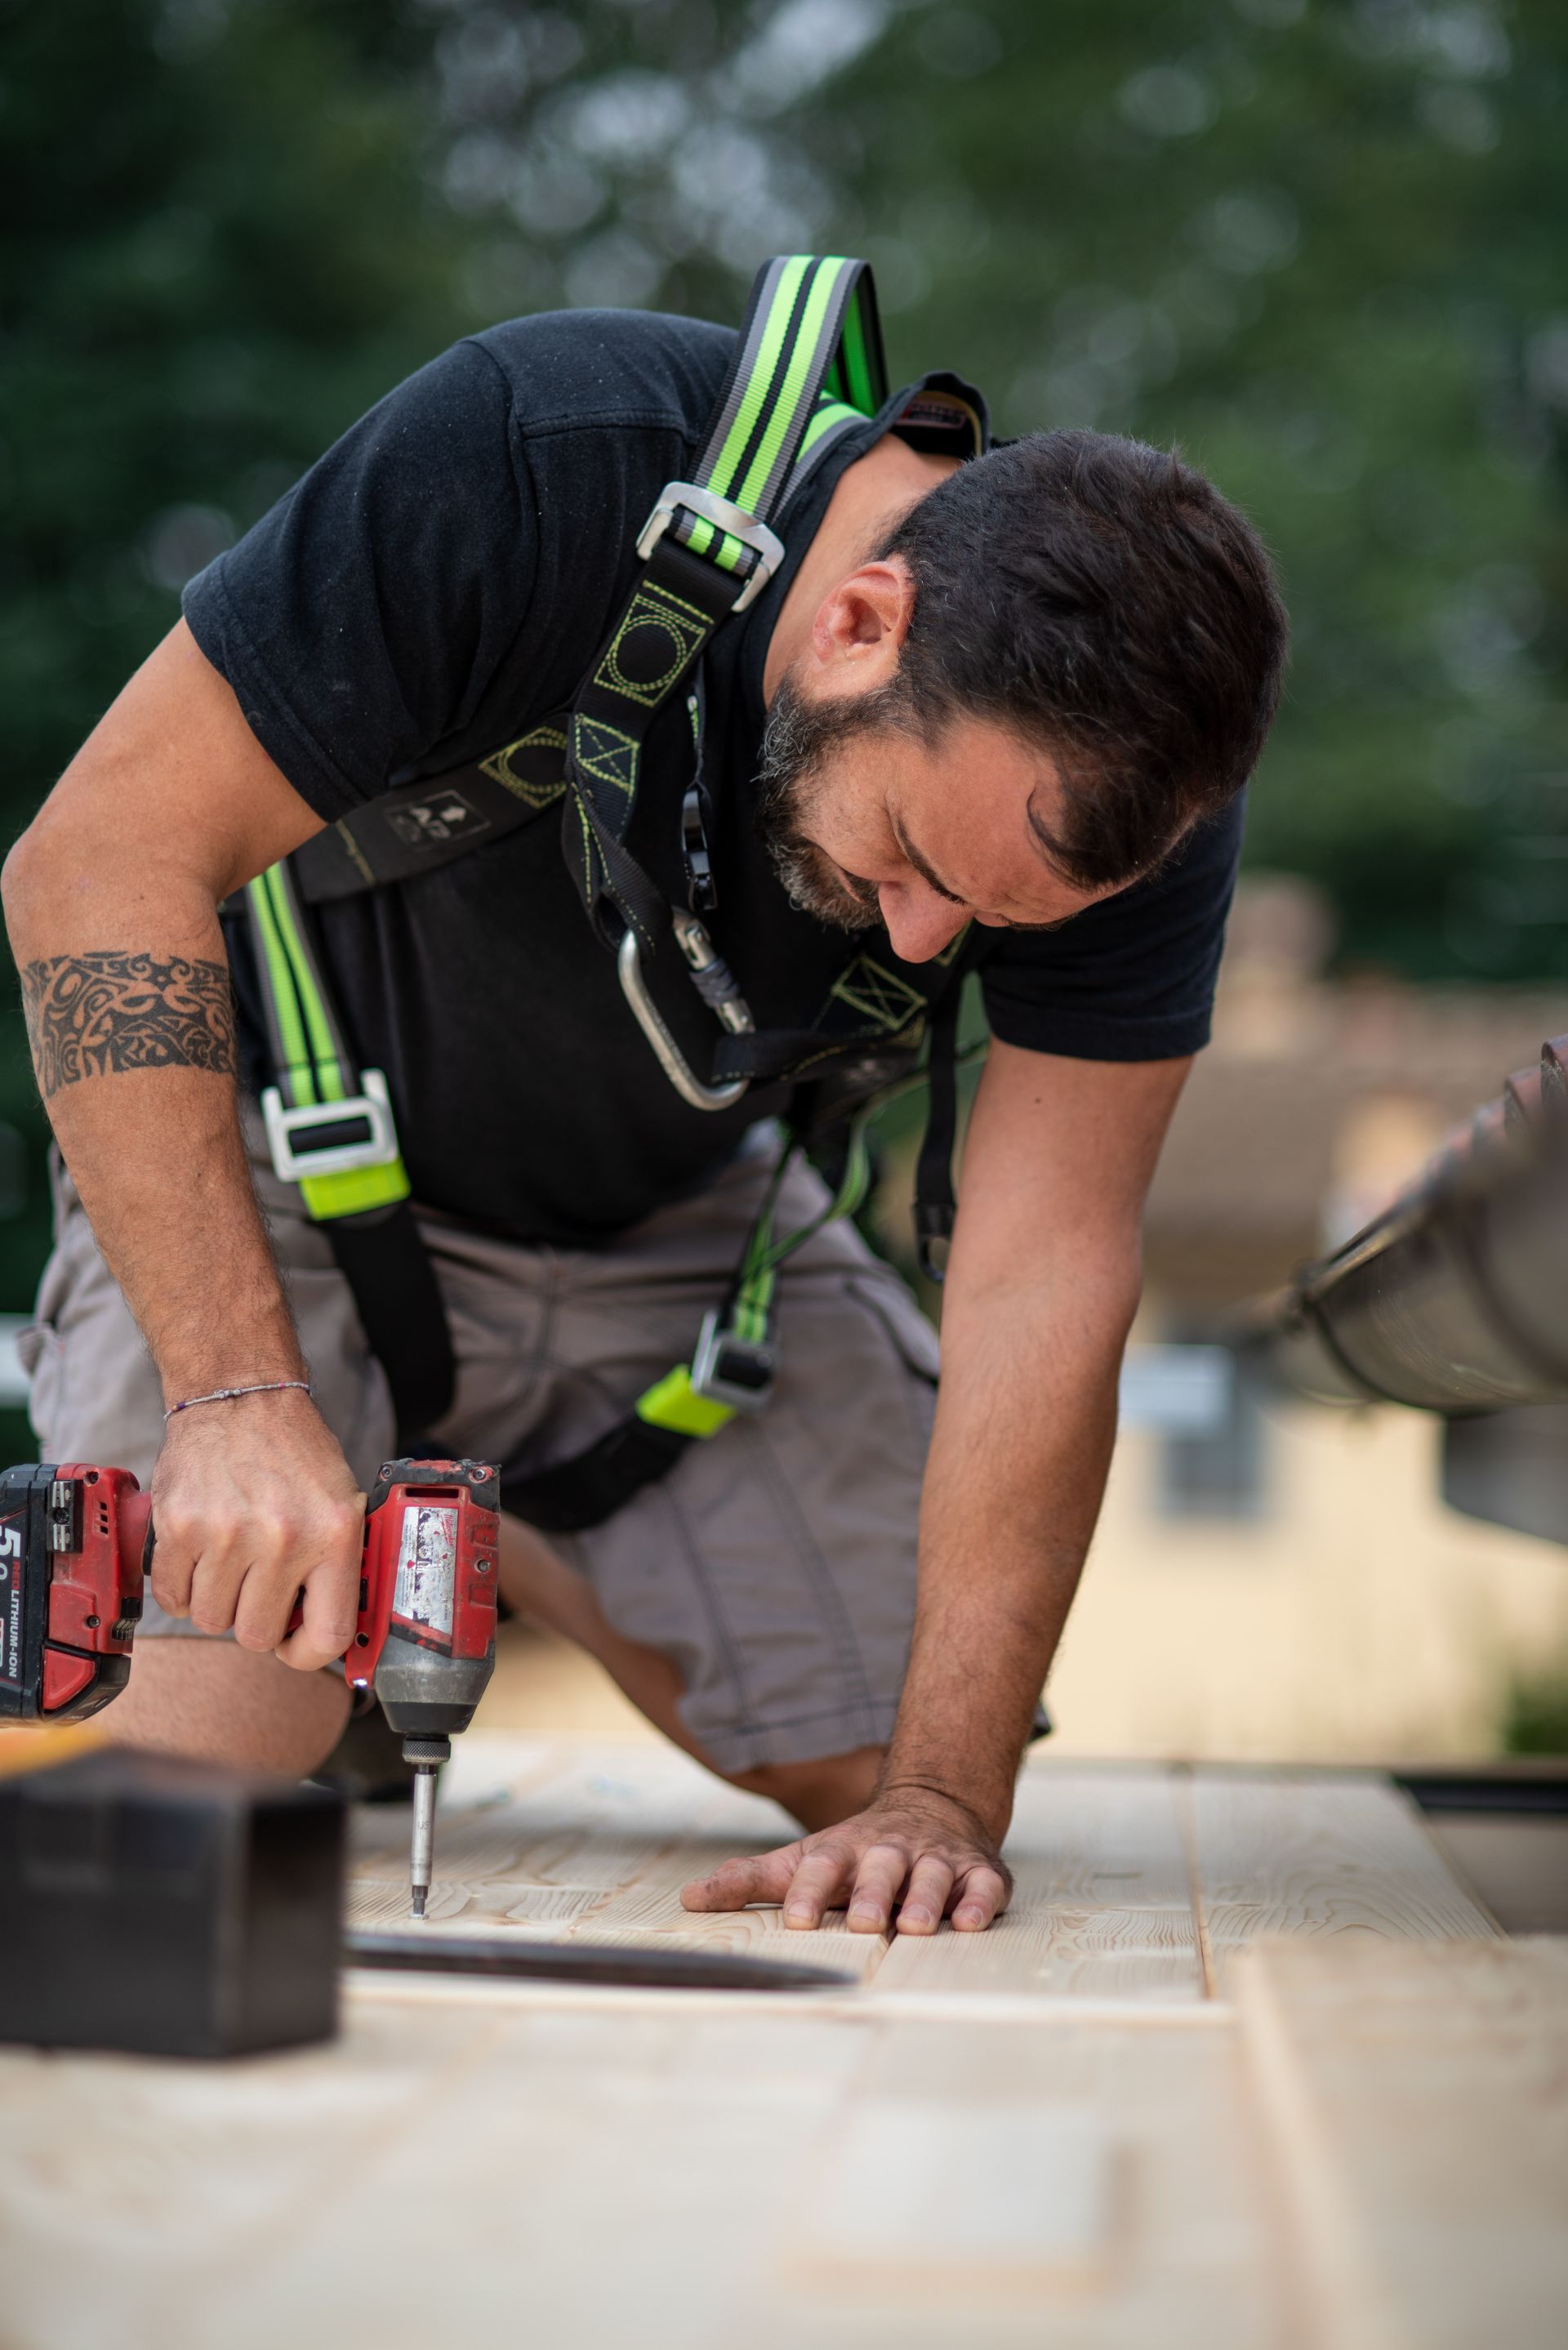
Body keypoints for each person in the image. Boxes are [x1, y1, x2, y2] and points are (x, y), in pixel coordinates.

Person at [3, 288, 1286, 1938]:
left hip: (674, 1252)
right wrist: (236, 1398)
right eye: (916, 860)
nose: (919, 944)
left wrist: (938, 1799)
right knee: (176, 1792)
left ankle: (489, 1522)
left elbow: (1044, 1263)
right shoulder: (544, 453)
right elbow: (93, 861)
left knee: (897, 1769)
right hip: (289, 1189)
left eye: (984, 922)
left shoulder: (1116, 791)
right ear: (858, 624)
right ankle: (355, 1512)